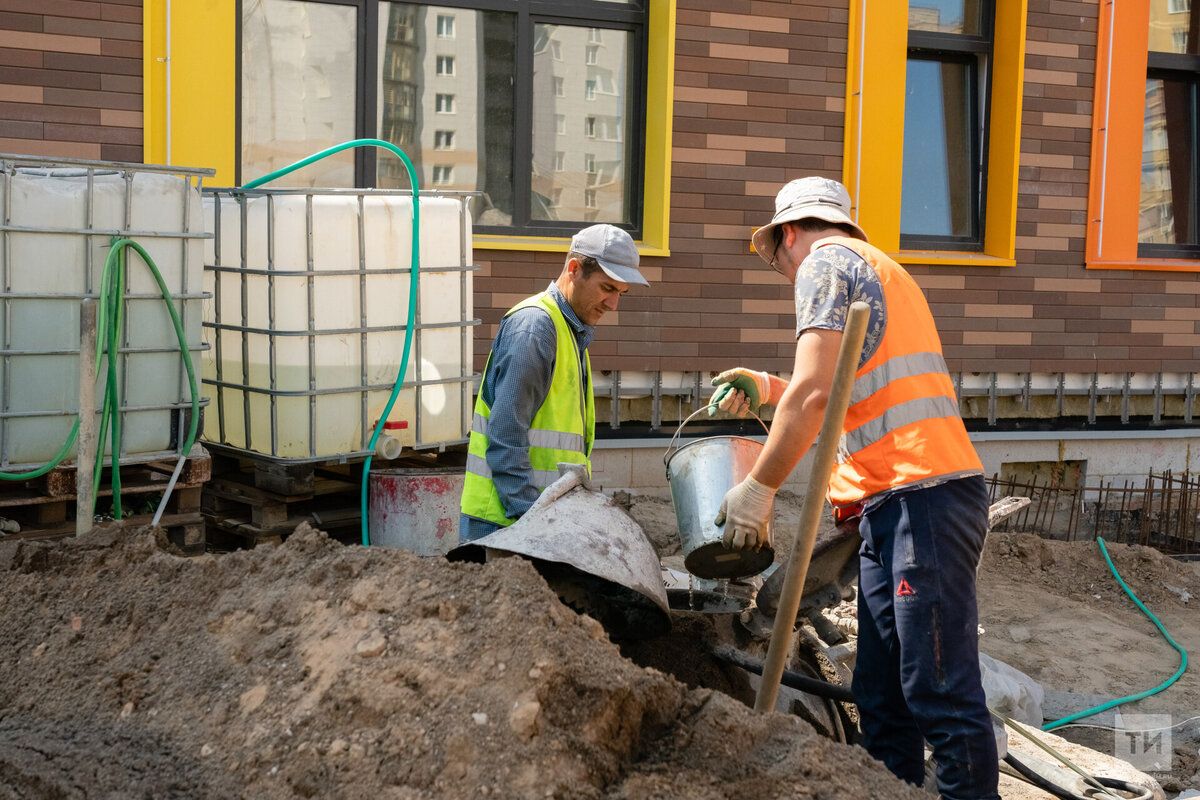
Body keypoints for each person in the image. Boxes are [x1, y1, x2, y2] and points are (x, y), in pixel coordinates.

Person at [710, 177, 998, 800]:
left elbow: (817, 397)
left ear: (789, 235)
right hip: (894, 501)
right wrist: (766, 386)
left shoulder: (825, 263)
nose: (786, 273)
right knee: (882, 692)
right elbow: (840, 392)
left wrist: (758, 490)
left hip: (923, 493)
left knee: (938, 691)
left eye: (778, 259)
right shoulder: (875, 268)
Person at [459, 224, 649, 542]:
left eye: (621, 293)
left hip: (533, 522)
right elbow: (505, 438)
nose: (613, 304)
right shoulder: (536, 329)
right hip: (506, 526)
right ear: (574, 269)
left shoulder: (568, 331)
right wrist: (535, 523)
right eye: (607, 288)